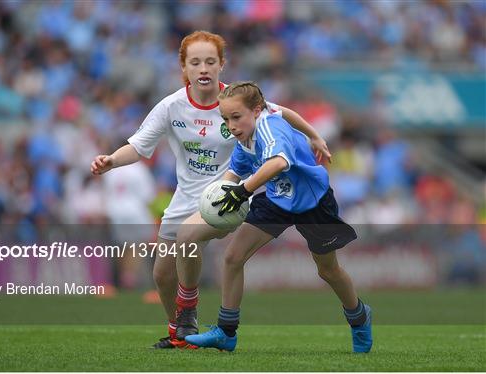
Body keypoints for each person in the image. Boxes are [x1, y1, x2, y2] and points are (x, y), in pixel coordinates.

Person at [90, 31, 332, 349]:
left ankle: (188, 315)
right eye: (195, 62)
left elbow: (281, 112)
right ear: (184, 68)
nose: (203, 68)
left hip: (226, 194)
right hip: (184, 197)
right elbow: (137, 147)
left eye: (210, 61)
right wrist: (111, 160)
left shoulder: (234, 102)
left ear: (221, 65)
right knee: (162, 274)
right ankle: (181, 335)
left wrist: (314, 135)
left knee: (187, 239)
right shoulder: (171, 106)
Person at [184, 81, 372, 353]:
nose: (231, 125)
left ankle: (359, 316)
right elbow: (233, 176)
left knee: (328, 270)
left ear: (257, 111)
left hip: (313, 201)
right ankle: (226, 332)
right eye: (226, 119)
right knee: (233, 257)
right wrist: (217, 198)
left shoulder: (268, 126)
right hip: (276, 199)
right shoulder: (244, 137)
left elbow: (279, 162)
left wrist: (242, 191)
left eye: (236, 117)